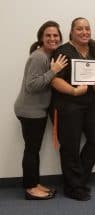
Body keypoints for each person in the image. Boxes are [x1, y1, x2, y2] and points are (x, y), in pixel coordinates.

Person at [51, 17, 95, 201]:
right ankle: (74, 187)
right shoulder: (62, 51)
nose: (84, 32)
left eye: (87, 28)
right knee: (70, 146)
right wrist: (74, 92)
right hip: (68, 104)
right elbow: (54, 79)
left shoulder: (94, 49)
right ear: (72, 32)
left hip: (89, 102)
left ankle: (77, 180)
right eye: (80, 29)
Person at [14, 21, 67, 200]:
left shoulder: (47, 55)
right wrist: (53, 71)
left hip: (36, 110)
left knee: (33, 149)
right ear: (41, 38)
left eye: (55, 35)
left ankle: (34, 183)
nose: (52, 38)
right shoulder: (39, 57)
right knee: (31, 150)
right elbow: (32, 85)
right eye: (48, 35)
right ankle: (31, 188)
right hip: (30, 111)